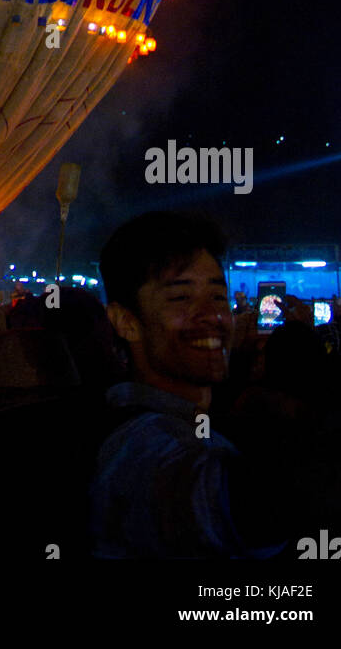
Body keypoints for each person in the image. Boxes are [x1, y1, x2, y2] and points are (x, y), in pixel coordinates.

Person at [90, 210, 288, 559]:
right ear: (125, 321)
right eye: (181, 298)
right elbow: (217, 501)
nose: (212, 316)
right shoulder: (134, 445)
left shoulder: (200, 424)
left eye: (216, 296)